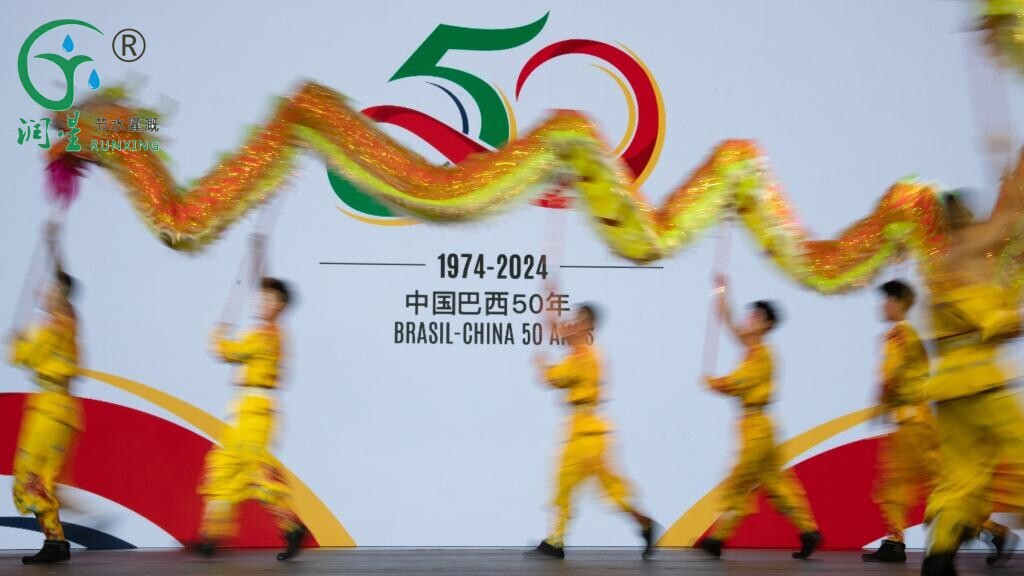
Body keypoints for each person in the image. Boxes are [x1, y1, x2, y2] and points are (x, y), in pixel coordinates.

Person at [920, 184, 1024, 575]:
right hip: (980, 382)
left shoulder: (940, 267)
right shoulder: (962, 265)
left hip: (947, 389)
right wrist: (1011, 318)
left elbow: (1002, 229)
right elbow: (993, 323)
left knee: (961, 478)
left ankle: (939, 558)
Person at [696, 275, 822, 560]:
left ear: (767, 325)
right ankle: (808, 531)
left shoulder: (761, 355)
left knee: (738, 481)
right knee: (777, 484)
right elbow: (727, 321)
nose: (748, 319)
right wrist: (722, 293)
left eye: (755, 317)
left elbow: (739, 383)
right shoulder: (753, 348)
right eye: (749, 315)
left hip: (757, 429)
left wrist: (713, 383)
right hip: (761, 427)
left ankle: (719, 537)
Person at [527, 303, 657, 559]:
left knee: (611, 493)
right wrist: (549, 308)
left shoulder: (586, 356)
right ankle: (556, 540)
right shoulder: (579, 351)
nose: (572, 323)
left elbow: (554, 378)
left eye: (578, 320)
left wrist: (542, 366)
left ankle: (645, 524)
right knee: (563, 484)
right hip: (578, 429)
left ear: (588, 325)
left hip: (591, 435)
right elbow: (558, 331)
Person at [195, 274, 308, 561]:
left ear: (281, 305)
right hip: (244, 407)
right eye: (261, 297)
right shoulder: (268, 333)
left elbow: (226, 352)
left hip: (256, 410)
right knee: (222, 467)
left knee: (256, 472)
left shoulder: (266, 335)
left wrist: (218, 333)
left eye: (268, 299)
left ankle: (291, 526)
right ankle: (211, 536)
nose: (261, 302)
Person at [7, 223, 81, 564]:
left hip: (52, 407)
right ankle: (56, 540)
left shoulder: (57, 324)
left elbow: (25, 356)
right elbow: (64, 280)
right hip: (53, 406)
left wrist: (17, 345)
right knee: (37, 476)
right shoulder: (64, 322)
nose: (46, 293)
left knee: (32, 476)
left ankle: (55, 541)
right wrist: (53, 246)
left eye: (53, 291)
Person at [862, 280, 938, 563]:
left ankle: (895, 543)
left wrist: (878, 406)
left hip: (908, 421)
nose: (882, 306)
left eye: (885, 300)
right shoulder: (912, 335)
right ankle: (990, 530)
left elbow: (889, 376)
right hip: (921, 419)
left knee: (892, 483)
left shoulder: (896, 336)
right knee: (937, 483)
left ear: (896, 302)